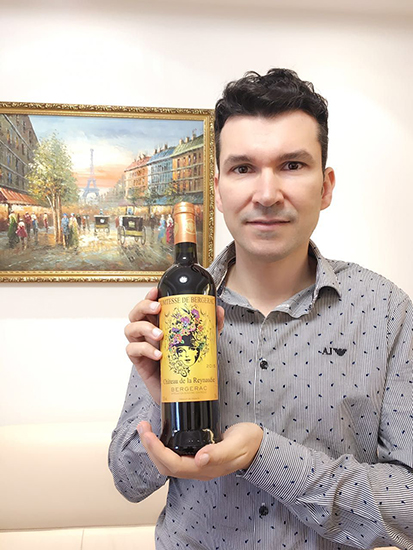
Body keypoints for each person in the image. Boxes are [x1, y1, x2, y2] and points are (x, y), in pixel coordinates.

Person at [109, 69, 412, 550]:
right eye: (243, 168)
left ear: (326, 186)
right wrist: (165, 404)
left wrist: (265, 456)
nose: (267, 194)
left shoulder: (386, 311)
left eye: (292, 165)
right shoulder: (178, 310)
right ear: (218, 189)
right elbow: (127, 481)